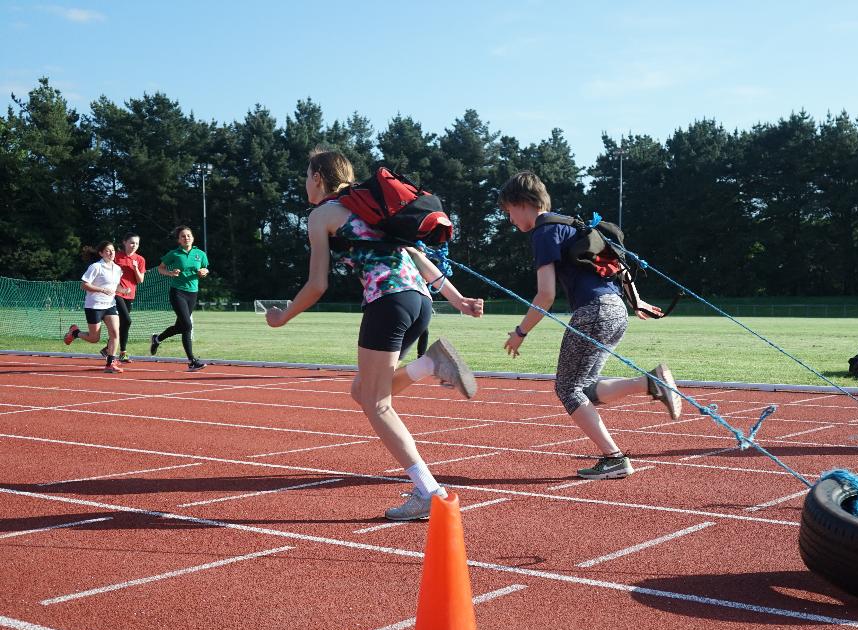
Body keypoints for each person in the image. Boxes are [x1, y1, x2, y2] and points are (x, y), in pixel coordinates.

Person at [264, 149, 485, 521]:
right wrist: (458, 299)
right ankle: (430, 363)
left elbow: (317, 284)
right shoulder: (373, 205)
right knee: (362, 391)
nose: (305, 183)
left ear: (318, 177)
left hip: (387, 304)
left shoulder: (321, 216)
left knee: (376, 403)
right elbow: (417, 255)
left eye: (306, 175)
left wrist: (282, 316)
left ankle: (429, 491)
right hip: (419, 301)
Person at [498, 170, 683, 480]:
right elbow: (617, 265)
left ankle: (614, 458)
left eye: (509, 212)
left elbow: (545, 295)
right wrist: (635, 301)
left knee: (567, 389)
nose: (510, 220)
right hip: (616, 310)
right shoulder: (571, 224)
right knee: (584, 389)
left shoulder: (544, 232)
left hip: (593, 312)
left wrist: (520, 333)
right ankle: (650, 382)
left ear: (522, 203)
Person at [150, 225, 209, 371]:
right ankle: (192, 361)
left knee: (180, 326)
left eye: (188, 235)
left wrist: (204, 272)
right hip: (178, 292)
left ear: (193, 238)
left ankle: (157, 339)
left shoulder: (200, 254)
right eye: (183, 236)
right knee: (187, 326)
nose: (186, 238)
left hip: (192, 293)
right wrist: (170, 273)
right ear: (179, 240)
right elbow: (160, 268)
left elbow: (206, 268)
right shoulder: (174, 254)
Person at [63, 242, 124, 373]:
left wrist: (123, 290)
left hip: (110, 305)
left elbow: (113, 286)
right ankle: (75, 332)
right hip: (94, 305)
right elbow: (84, 285)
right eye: (107, 251)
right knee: (94, 338)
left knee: (115, 333)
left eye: (113, 250)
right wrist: (101, 290)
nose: (111, 253)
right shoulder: (96, 267)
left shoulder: (118, 269)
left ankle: (110, 364)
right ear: (101, 253)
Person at [111, 232, 145, 363]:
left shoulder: (140, 259)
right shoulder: (116, 256)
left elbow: (140, 280)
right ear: (124, 242)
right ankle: (121, 352)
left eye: (136, 243)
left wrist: (136, 268)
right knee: (127, 320)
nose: (134, 245)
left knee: (123, 324)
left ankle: (116, 351)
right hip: (116, 293)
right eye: (131, 242)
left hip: (130, 294)